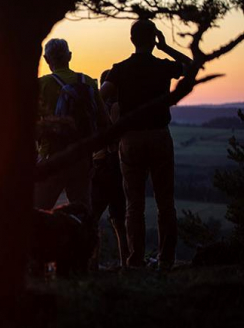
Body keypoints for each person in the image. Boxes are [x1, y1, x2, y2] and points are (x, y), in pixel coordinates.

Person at [100, 19, 192, 270]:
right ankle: (165, 261)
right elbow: (191, 66)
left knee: (134, 205)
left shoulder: (120, 69)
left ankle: (135, 262)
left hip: (131, 140)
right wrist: (165, 48)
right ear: (153, 39)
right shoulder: (163, 67)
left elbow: (102, 95)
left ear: (132, 40)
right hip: (160, 136)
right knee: (166, 203)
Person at [36, 38, 109, 210]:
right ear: (69, 56)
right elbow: (104, 120)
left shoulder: (43, 84)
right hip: (82, 157)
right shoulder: (88, 82)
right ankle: (84, 237)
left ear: (46, 59)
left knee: (37, 211)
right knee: (82, 212)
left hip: (52, 157)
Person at [90, 69, 128, 269]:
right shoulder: (121, 107)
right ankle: (126, 264)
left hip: (101, 166)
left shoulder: (95, 109)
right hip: (119, 167)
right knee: (119, 220)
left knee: (92, 218)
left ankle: (92, 263)